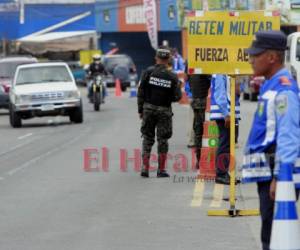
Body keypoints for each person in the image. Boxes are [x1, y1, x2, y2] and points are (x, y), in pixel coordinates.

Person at [242, 30, 300, 250]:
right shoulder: (270, 84)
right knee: (269, 227)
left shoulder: (284, 89)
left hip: (276, 173)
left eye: (256, 55)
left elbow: (288, 134)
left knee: (275, 232)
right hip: (267, 172)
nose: (251, 60)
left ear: (272, 57)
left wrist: (280, 176)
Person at [137, 48, 182, 178]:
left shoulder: (148, 72)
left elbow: (141, 92)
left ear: (156, 58)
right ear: (168, 60)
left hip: (148, 109)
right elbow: (177, 97)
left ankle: (145, 168)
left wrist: (141, 110)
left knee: (147, 138)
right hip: (164, 110)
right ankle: (161, 170)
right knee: (162, 140)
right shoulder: (173, 77)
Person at [210, 74, 240, 184]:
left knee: (227, 144)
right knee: (224, 144)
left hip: (228, 114)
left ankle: (224, 173)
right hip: (224, 115)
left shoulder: (228, 71)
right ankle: (221, 174)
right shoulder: (220, 71)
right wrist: (226, 114)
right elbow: (219, 94)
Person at [188, 74, 211, 168]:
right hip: (205, 105)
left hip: (196, 104)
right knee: (209, 134)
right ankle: (207, 160)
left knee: (198, 134)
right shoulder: (205, 73)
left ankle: (199, 160)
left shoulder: (193, 74)